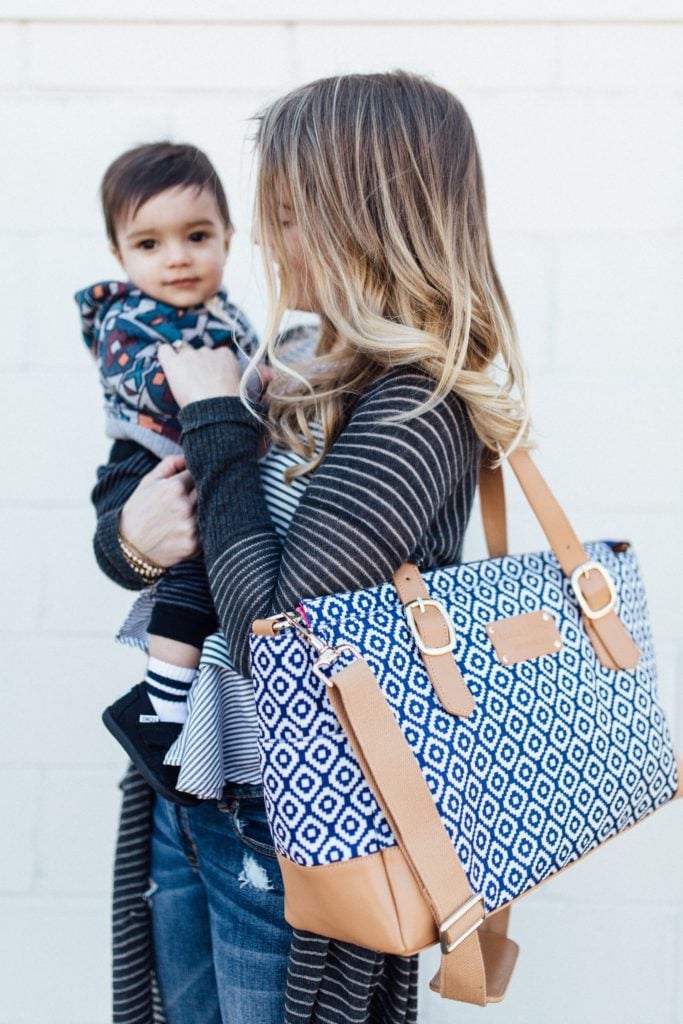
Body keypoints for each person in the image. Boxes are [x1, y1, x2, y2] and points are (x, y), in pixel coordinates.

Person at [93, 71, 529, 1024]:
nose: (271, 241)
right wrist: (127, 540)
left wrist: (211, 417)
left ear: (364, 223)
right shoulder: (291, 357)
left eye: (290, 215)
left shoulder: (418, 408)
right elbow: (155, 530)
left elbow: (273, 627)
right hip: (192, 782)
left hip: (296, 829)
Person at [77, 142, 257, 805]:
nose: (177, 257)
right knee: (185, 574)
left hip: (196, 457)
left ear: (229, 239)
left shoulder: (229, 316)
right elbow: (151, 381)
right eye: (149, 244)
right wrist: (241, 383)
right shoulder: (125, 318)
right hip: (144, 458)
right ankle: (161, 710)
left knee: (203, 578)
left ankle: (170, 706)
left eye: (197, 235)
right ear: (120, 256)